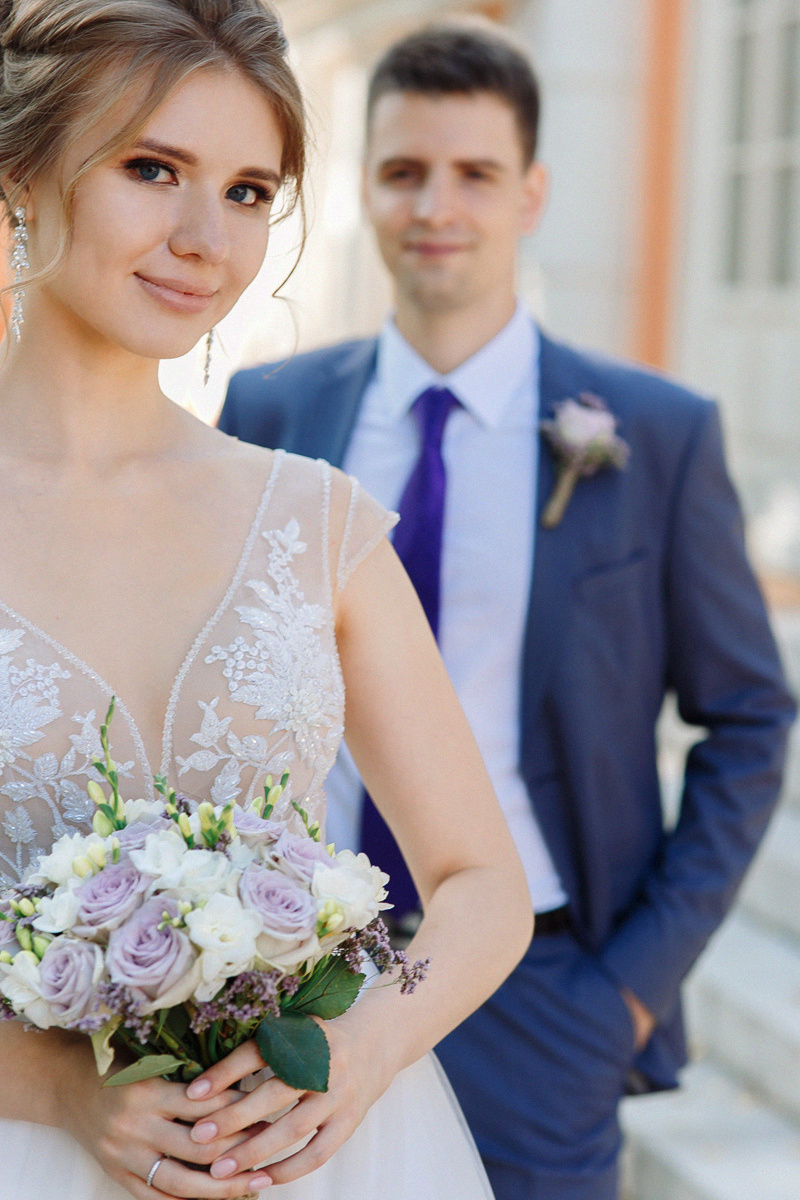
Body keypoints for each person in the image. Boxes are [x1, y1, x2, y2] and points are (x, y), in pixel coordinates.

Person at [217, 20, 797, 1200]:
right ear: (364, 191)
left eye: (474, 173)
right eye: (402, 171)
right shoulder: (270, 410)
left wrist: (629, 988)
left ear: (528, 193)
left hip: (544, 1000)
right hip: (284, 981)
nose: (436, 204)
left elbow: (745, 717)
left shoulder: (655, 435)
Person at [0, 3, 535, 1199]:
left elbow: (479, 884)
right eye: (152, 169)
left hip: (313, 1160)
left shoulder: (312, 522)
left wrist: (363, 1046)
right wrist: (55, 1090)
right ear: (21, 168)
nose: (204, 238)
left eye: (248, 191)